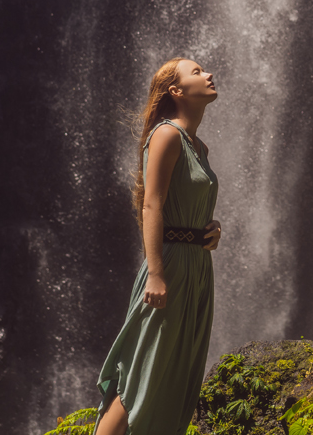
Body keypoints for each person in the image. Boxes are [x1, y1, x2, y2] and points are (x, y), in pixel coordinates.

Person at [94, 58, 223, 435]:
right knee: (139, 370)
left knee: (173, 370)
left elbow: (189, 202)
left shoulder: (199, 146)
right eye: (197, 72)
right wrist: (155, 273)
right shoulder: (166, 134)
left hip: (197, 267)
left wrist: (208, 230)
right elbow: (151, 204)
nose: (209, 74)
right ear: (176, 91)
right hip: (169, 267)